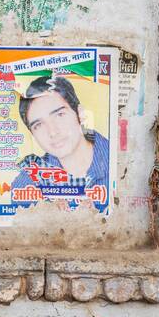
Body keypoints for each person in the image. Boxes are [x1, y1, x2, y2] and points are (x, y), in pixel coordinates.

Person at [10, 74, 110, 213]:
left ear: (80, 114)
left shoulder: (118, 160)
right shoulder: (27, 184)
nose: (52, 132)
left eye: (60, 115)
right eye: (38, 125)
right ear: (33, 135)